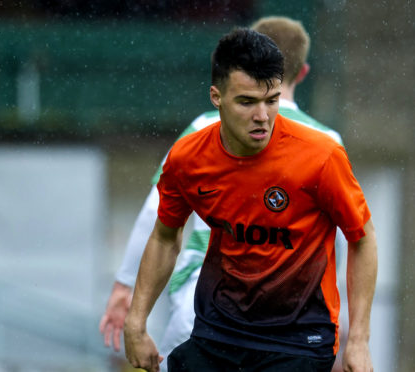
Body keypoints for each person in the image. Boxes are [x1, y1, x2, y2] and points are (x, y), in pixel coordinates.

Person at [123, 28, 377, 372]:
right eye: (247, 102)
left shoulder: (321, 155)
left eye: (271, 100)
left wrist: (359, 341)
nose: (262, 116)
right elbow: (165, 236)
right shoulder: (188, 157)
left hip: (298, 340)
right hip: (218, 333)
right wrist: (136, 323)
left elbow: (362, 239)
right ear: (217, 97)